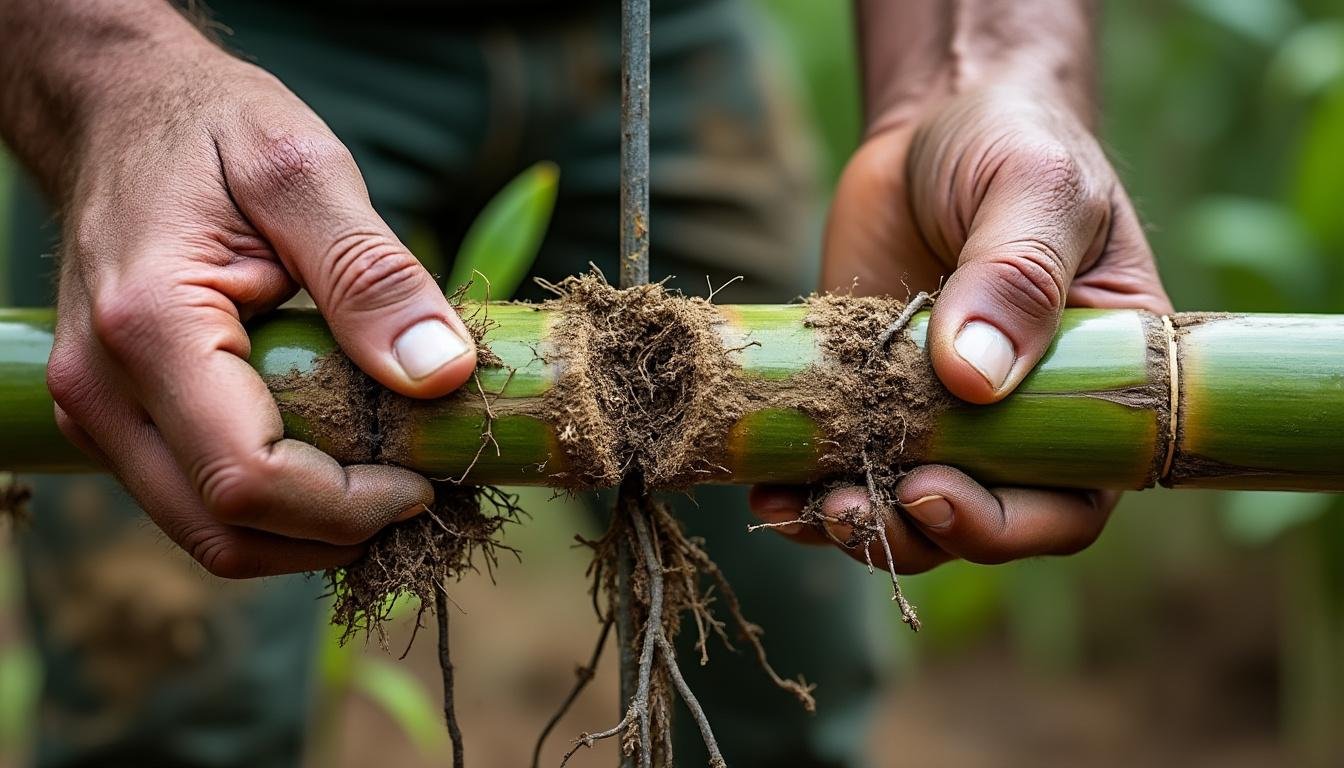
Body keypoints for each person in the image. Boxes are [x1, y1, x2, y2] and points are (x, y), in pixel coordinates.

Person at [0, 0, 1171, 766]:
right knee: (169, 708)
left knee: (793, 656)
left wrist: (980, 67)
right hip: (217, 40)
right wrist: (105, 63)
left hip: (671, 34)